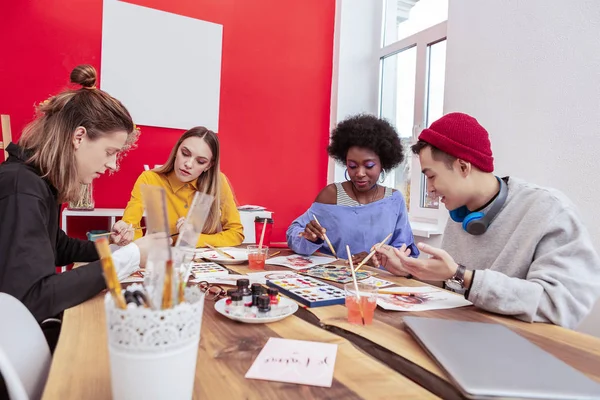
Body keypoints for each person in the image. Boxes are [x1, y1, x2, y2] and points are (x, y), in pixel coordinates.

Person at [377, 112, 600, 328]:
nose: (430, 191)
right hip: (464, 333)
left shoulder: (550, 209)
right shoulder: (460, 212)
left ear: (463, 166)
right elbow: (456, 284)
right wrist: (409, 270)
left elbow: (560, 305)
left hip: (522, 348)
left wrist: (463, 276)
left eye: (432, 177)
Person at [0, 65, 154, 345]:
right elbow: (31, 298)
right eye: (110, 152)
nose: (111, 165)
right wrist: (128, 257)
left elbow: (56, 246)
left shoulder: (38, 182)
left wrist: (114, 247)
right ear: (79, 136)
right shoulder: (22, 188)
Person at [286, 114, 418, 266]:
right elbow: (293, 233)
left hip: (379, 284)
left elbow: (404, 251)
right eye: (352, 166)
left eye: (369, 166)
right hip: (332, 281)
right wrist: (309, 237)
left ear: (383, 163)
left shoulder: (394, 200)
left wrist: (374, 260)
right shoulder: (332, 195)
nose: (360, 173)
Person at [113, 127, 244, 247]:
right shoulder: (150, 179)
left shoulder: (218, 182)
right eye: (185, 153)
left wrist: (194, 239)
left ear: (209, 166)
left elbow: (236, 234)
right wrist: (126, 234)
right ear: (176, 151)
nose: (189, 164)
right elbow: (131, 225)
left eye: (200, 161)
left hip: (204, 265)